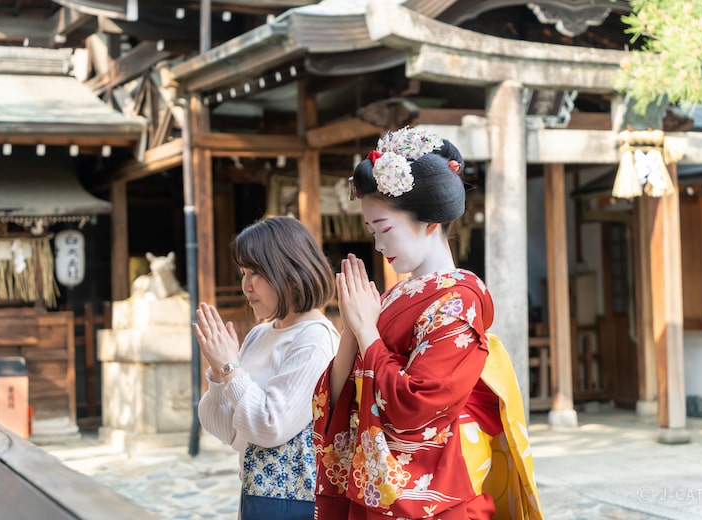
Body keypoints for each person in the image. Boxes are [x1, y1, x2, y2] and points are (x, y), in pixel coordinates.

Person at [312, 127, 542, 519]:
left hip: (436, 490)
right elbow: (339, 399)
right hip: (374, 488)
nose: (379, 245)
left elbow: (418, 405)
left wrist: (368, 332)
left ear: (430, 221)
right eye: (372, 232)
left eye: (384, 228)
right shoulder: (389, 299)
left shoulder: (459, 301)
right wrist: (353, 326)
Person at [193, 215, 340, 520]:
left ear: (287, 269)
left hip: (295, 503)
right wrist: (218, 372)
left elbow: (269, 427)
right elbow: (229, 433)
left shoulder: (314, 338)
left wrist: (230, 366)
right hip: (258, 498)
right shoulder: (261, 334)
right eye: (243, 272)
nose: (246, 285)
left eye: (255, 272)